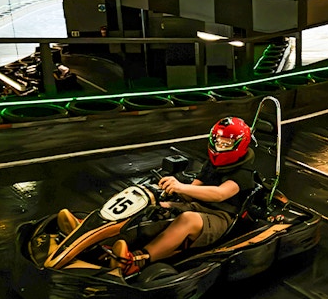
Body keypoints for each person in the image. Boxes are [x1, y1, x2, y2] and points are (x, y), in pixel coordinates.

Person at [107, 116, 258, 277]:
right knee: (155, 208)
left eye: (226, 144)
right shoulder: (213, 163)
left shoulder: (243, 172)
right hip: (200, 206)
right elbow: (195, 188)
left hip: (222, 217)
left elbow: (220, 194)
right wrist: (170, 191)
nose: (220, 146)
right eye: (218, 141)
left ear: (239, 145)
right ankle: (102, 235)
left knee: (187, 220)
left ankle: (135, 261)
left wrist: (181, 187)